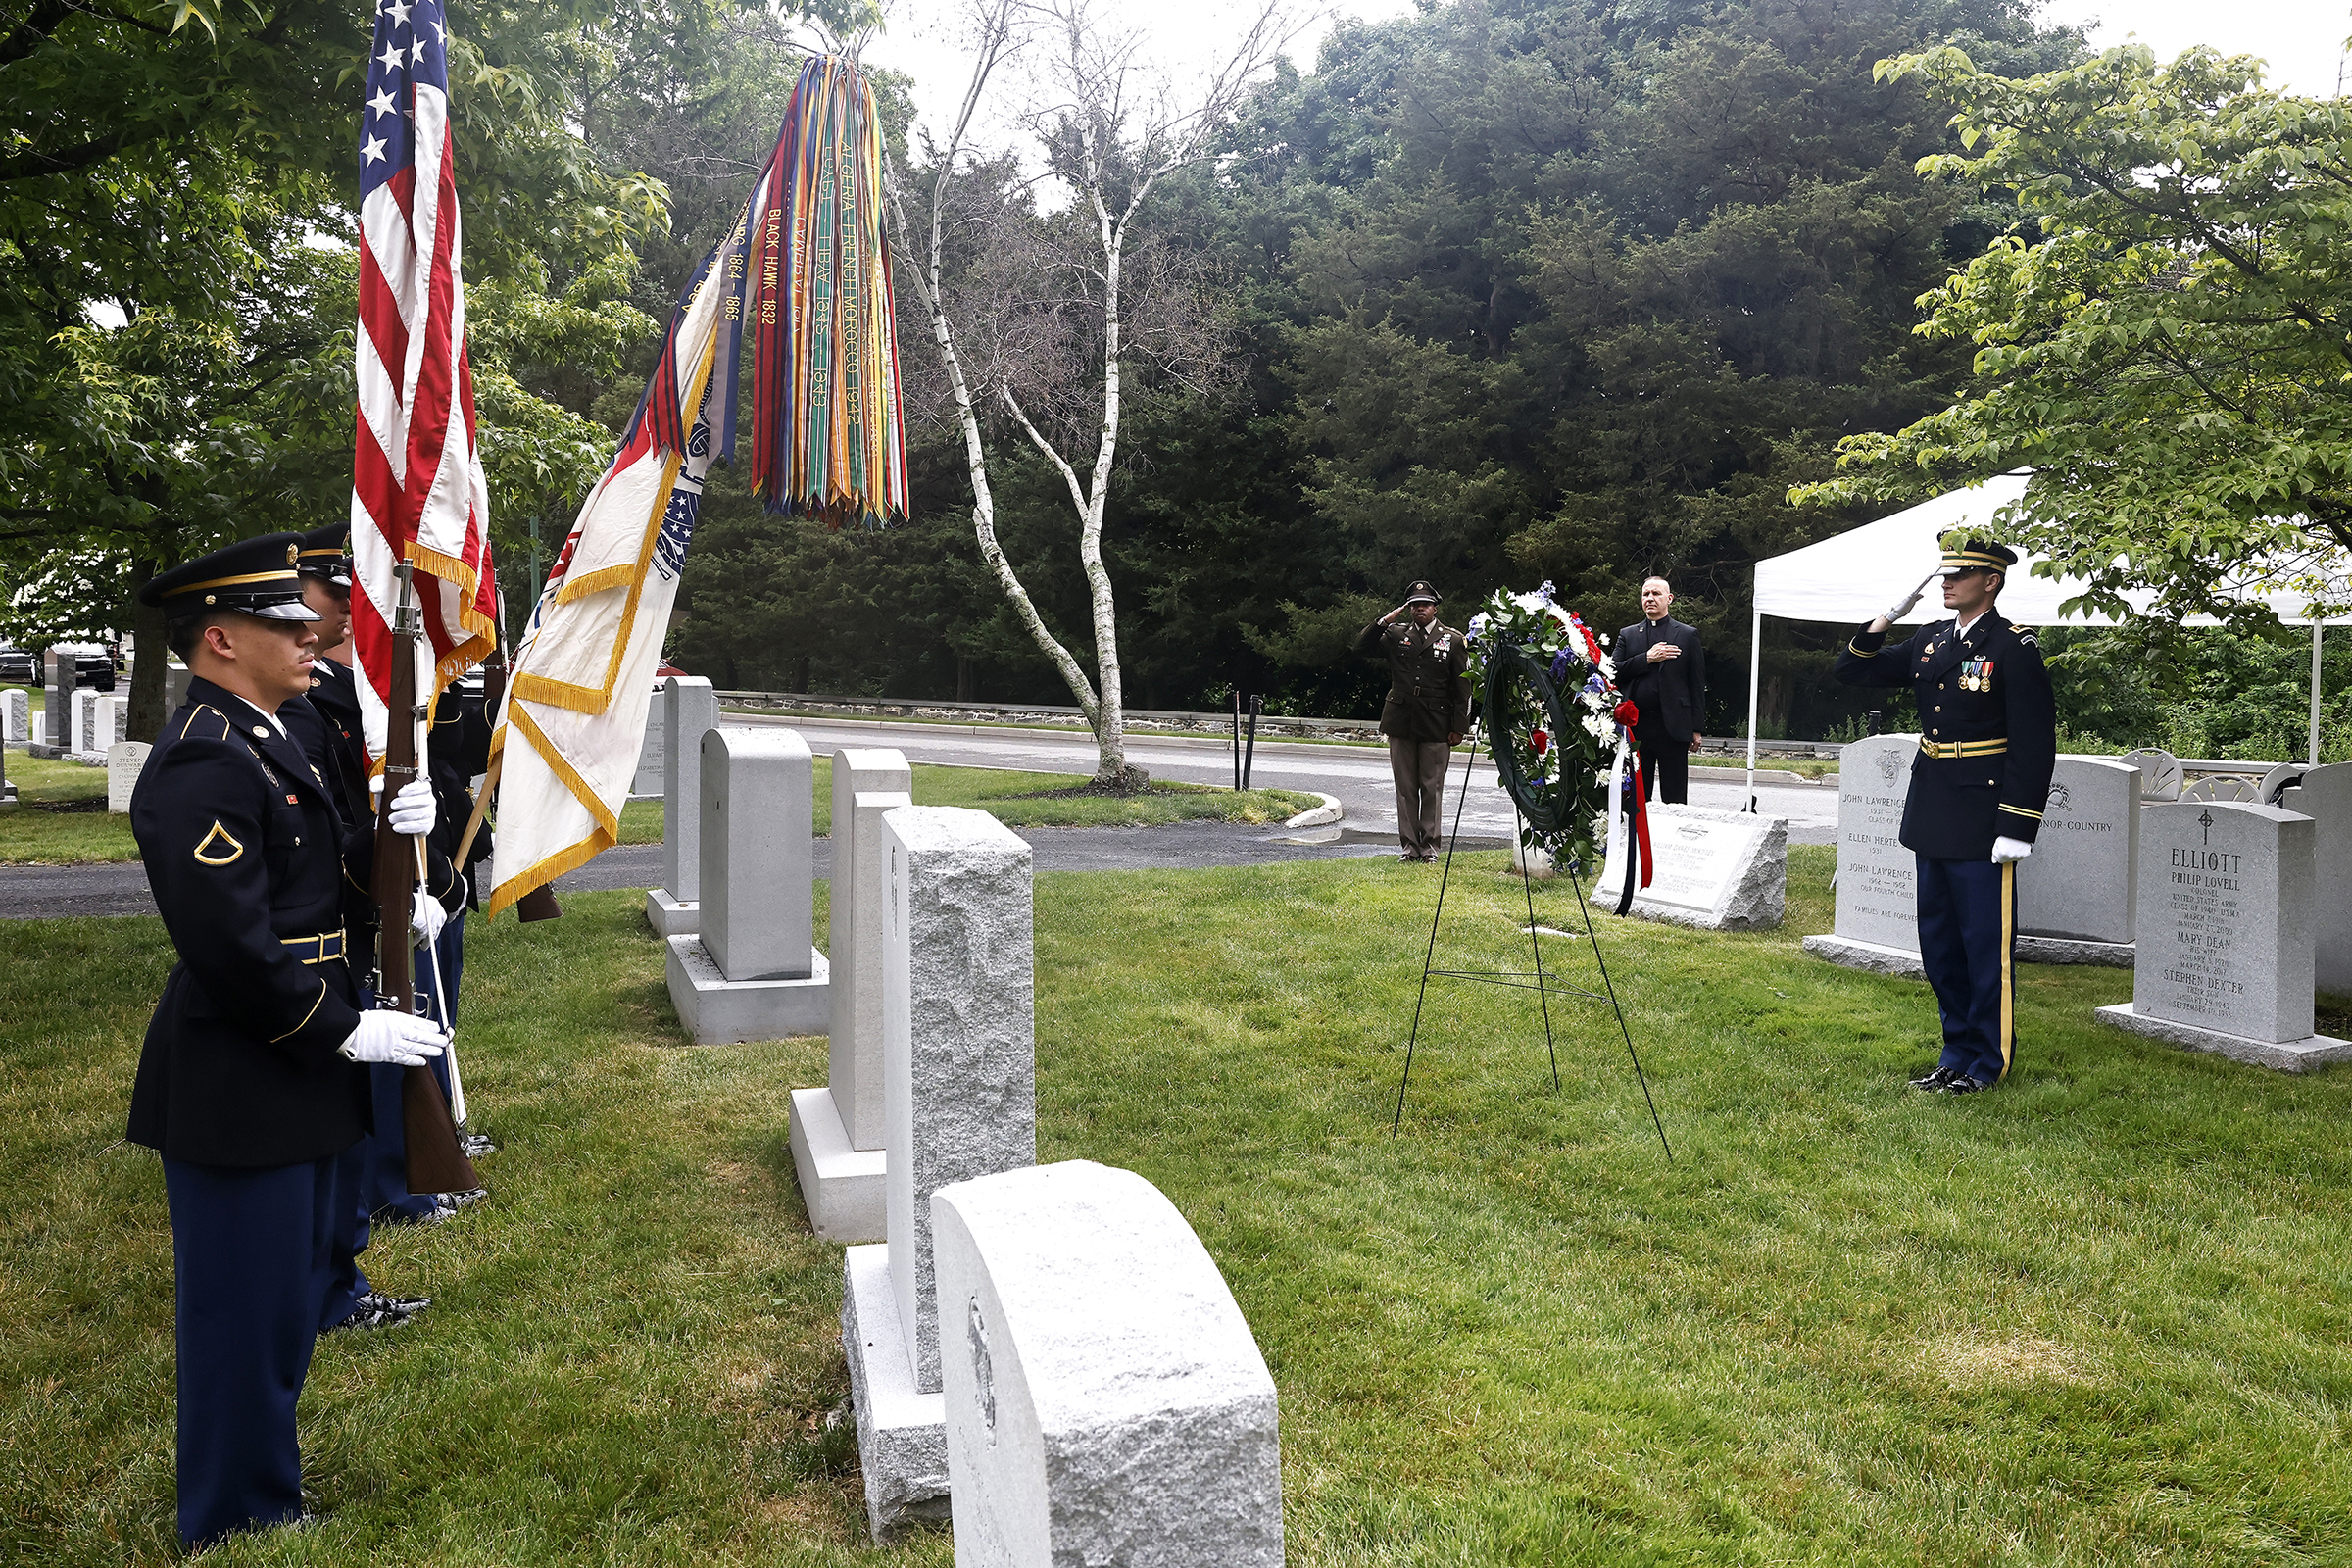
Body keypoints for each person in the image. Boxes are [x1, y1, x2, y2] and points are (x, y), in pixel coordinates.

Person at [125, 533, 449, 1547]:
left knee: (286, 1298)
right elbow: (234, 947)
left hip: (296, 1062)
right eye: (284, 623)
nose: (313, 633)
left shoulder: (274, 735)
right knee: (241, 1316)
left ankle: (266, 1484)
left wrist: (389, 844)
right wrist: (347, 1033)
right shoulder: (201, 764)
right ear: (220, 640)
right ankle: (234, 1512)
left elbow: (313, 882)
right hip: (246, 1067)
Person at [282, 528, 443, 1327]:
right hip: (309, 954)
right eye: (332, 594)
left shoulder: (342, 696)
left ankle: (340, 1281)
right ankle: (331, 1286)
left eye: (351, 597)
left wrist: (424, 879)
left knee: (342, 1132)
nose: (339, 613)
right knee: (329, 1132)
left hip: (350, 921)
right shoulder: (296, 714)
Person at [1834, 536, 2056, 1095]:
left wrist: (2018, 824)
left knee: (1984, 946)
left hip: (1984, 818)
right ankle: (1954, 1053)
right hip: (1933, 808)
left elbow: (2034, 743)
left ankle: (1987, 1062)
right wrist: (1888, 617)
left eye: (1961, 574)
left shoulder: (2013, 648)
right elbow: (1851, 671)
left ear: (1992, 581)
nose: (1946, 582)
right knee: (1939, 944)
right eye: (1944, 574)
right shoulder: (1930, 641)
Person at [1356, 580, 1470, 861]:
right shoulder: (1395, 634)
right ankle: (1409, 847)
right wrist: (1385, 620)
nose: (1420, 609)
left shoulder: (1453, 639)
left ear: (1435, 607)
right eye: (1415, 604)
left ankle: (1430, 847)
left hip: (1436, 722)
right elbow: (1361, 647)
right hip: (1401, 720)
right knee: (1406, 788)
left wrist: (1459, 727)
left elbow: (1463, 688)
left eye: (1425, 604)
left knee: (1431, 787)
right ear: (1408, 609)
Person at [1614, 576, 1706, 805]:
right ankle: (1636, 840)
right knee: (1636, 798)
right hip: (1637, 727)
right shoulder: (1628, 635)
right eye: (1646, 594)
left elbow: (1696, 683)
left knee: (1674, 799)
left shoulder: (1686, 635)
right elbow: (1612, 672)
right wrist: (1647, 658)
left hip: (1673, 727)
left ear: (1669, 598)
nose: (1650, 598)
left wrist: (1696, 728)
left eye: (1656, 594)